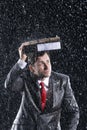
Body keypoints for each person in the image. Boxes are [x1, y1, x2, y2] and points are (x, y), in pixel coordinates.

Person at [5, 41, 79, 130]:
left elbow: (73, 112)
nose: (47, 67)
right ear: (32, 68)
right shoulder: (26, 78)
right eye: (41, 64)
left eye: (48, 61)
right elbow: (9, 85)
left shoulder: (62, 81)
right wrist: (21, 60)